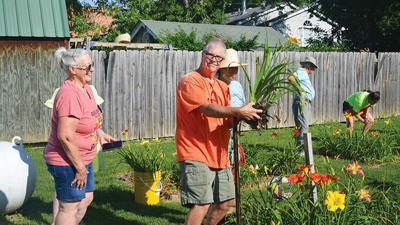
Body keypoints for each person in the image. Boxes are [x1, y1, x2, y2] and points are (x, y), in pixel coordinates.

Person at [176, 38, 262, 225]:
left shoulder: (223, 87)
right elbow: (206, 108)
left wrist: (246, 116)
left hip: (219, 152)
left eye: (219, 57)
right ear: (202, 54)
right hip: (196, 150)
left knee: (226, 202)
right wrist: (238, 110)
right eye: (210, 55)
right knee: (201, 203)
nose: (214, 60)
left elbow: (225, 121)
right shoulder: (190, 81)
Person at [44, 47, 117, 225]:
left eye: (92, 65)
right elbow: (66, 137)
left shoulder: (87, 89)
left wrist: (100, 133)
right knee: (69, 207)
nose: (92, 69)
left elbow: (88, 119)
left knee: (86, 198)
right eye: (87, 67)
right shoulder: (69, 94)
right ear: (72, 70)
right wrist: (80, 168)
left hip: (85, 158)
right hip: (67, 160)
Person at [217, 48, 247, 171]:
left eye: (236, 68)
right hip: (218, 133)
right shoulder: (215, 86)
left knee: (234, 163)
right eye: (231, 68)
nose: (235, 71)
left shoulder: (237, 86)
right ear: (222, 69)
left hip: (234, 130)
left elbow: (243, 106)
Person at [290, 56, 317, 146]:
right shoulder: (301, 72)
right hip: (302, 101)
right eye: (313, 68)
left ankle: (299, 147)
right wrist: (299, 90)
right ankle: (302, 148)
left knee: (302, 125)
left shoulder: (302, 73)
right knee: (304, 125)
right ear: (309, 66)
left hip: (305, 101)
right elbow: (290, 78)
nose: (313, 71)